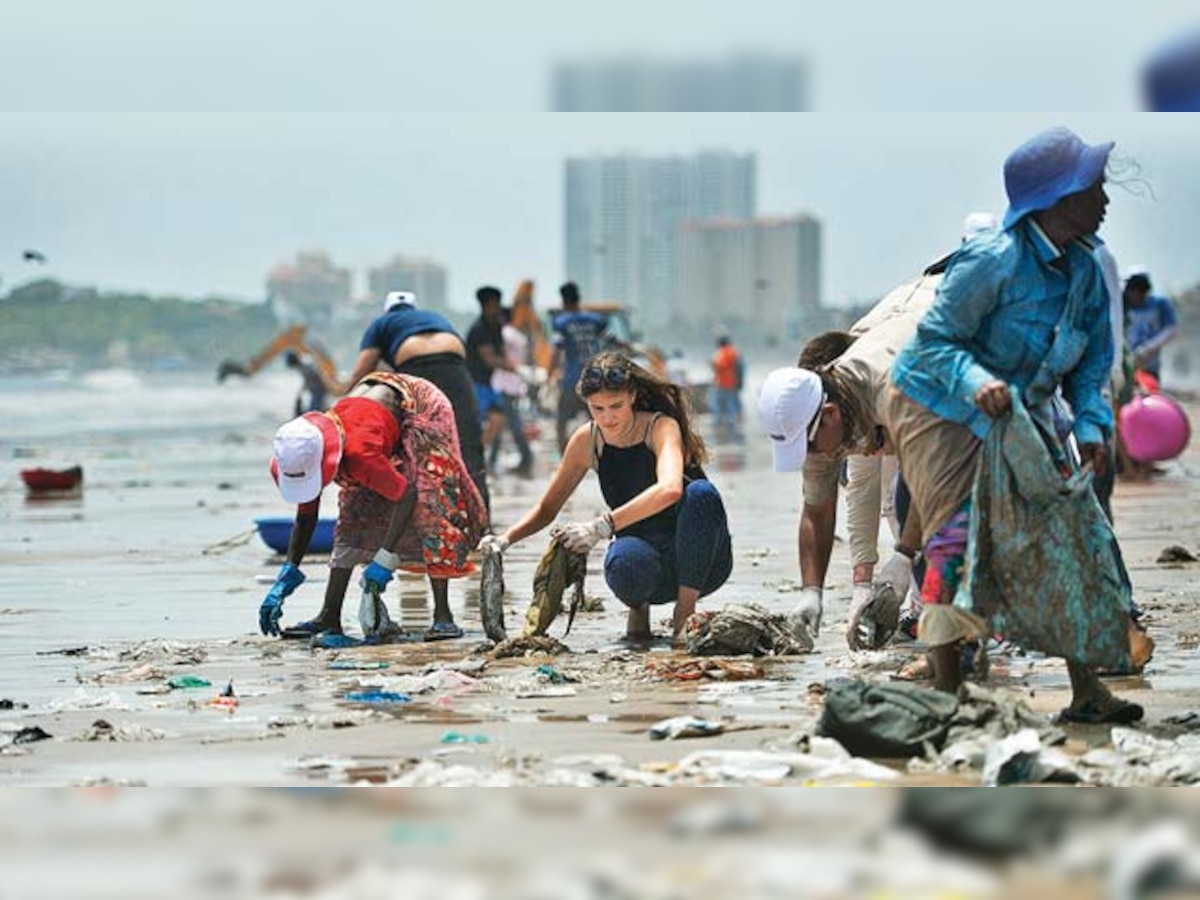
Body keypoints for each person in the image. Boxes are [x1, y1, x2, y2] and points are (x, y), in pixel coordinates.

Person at [886, 125, 1143, 723]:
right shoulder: (991, 261)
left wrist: (1095, 430)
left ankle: (1086, 692)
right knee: (953, 542)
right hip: (943, 409)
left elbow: (1091, 368)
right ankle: (947, 693)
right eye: (1094, 188)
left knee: (1072, 535)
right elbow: (932, 345)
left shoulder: (1084, 272)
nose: (1104, 200)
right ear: (1057, 200)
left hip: (1022, 414)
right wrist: (977, 382)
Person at [479, 351, 732, 647]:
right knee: (623, 562)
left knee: (701, 494)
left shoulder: (661, 427)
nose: (608, 417)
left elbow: (670, 489)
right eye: (597, 408)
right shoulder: (587, 440)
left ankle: (684, 614)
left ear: (633, 396)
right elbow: (547, 508)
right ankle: (638, 612)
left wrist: (600, 527)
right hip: (645, 561)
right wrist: (504, 540)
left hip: (701, 561)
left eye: (616, 406)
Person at [258, 372, 488, 644]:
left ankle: (443, 616)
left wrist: (384, 559)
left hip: (420, 406)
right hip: (371, 417)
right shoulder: (302, 452)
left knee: (430, 501)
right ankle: (329, 616)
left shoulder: (359, 455)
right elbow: (306, 516)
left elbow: (406, 495)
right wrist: (288, 572)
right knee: (353, 513)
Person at [346, 290, 489, 511]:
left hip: (416, 367)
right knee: (469, 444)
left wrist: (342, 408)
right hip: (456, 366)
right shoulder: (433, 317)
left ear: (388, 309)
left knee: (414, 449)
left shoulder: (382, 323)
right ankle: (482, 523)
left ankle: (419, 517)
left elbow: (362, 372)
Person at [466, 286, 532, 478]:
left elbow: (502, 353)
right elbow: (490, 359)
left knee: (498, 420)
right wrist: (519, 370)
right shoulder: (479, 329)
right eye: (495, 303)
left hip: (493, 384)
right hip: (477, 384)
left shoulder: (495, 325)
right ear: (487, 305)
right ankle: (476, 460)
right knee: (487, 422)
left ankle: (481, 459)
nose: (498, 307)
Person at [551, 282, 611, 453]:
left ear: (563, 300)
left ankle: (564, 457)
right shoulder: (595, 320)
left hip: (573, 380)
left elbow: (557, 351)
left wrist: (550, 374)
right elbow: (610, 340)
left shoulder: (562, 323)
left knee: (562, 420)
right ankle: (606, 453)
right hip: (596, 379)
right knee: (600, 419)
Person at [487, 306, 535, 478]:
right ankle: (494, 460)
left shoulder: (504, 335)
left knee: (507, 424)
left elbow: (502, 359)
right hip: (515, 385)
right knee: (506, 424)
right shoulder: (520, 337)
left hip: (502, 385)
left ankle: (525, 458)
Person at [1123, 266, 1179, 386]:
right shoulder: (1123, 305)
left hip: (1149, 366)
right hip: (1125, 367)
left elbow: (1171, 330)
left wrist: (1147, 349)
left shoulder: (1160, 304)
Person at [710, 336, 742, 436]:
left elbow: (719, 366)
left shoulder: (723, 352)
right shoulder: (735, 352)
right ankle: (732, 423)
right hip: (732, 382)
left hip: (722, 382)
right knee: (730, 403)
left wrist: (711, 364)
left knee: (716, 403)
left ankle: (718, 422)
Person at [284, 351, 329, 416]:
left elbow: (315, 376)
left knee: (314, 409)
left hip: (318, 389)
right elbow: (307, 380)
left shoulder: (306, 366)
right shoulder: (302, 366)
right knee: (316, 407)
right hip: (315, 389)